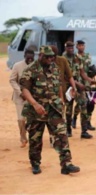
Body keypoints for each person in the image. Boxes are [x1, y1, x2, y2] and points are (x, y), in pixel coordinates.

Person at [19, 46, 80, 175]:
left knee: (62, 135)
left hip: (54, 109)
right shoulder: (31, 70)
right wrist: (35, 104)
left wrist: (61, 100)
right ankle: (35, 164)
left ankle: (66, 164)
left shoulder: (55, 68)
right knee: (36, 139)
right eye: (47, 56)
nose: (50, 58)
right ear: (40, 56)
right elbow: (25, 89)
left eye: (52, 56)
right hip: (36, 111)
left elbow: (58, 86)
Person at [63, 41, 95, 139]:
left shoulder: (77, 58)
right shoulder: (62, 59)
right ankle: (68, 129)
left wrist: (89, 80)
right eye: (69, 47)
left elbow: (81, 72)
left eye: (72, 47)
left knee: (84, 106)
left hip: (79, 87)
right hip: (68, 87)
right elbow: (66, 75)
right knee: (68, 110)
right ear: (65, 48)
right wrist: (77, 84)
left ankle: (84, 131)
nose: (71, 49)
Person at [50, 45, 77, 137]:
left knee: (65, 113)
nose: (51, 58)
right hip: (50, 93)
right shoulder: (44, 61)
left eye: (53, 55)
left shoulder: (62, 60)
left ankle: (67, 129)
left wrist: (74, 87)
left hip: (63, 92)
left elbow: (69, 76)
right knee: (53, 115)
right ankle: (55, 135)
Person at [9, 49, 35, 148]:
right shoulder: (17, 66)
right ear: (24, 56)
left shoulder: (36, 66)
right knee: (21, 119)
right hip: (20, 98)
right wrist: (20, 93)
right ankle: (23, 139)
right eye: (28, 57)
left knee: (32, 120)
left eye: (31, 57)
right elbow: (12, 80)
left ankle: (33, 138)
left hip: (32, 98)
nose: (30, 59)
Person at [72, 40, 96, 131]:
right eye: (80, 45)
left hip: (87, 82)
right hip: (79, 82)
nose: (81, 47)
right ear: (77, 47)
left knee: (90, 103)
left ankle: (88, 122)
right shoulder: (75, 57)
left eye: (83, 45)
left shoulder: (87, 56)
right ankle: (74, 118)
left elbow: (88, 67)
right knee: (81, 103)